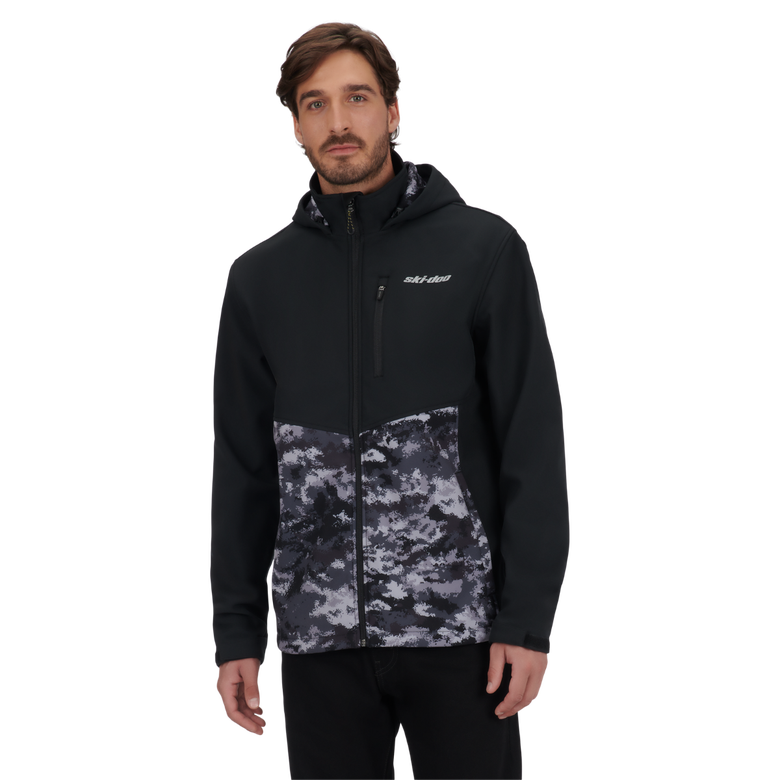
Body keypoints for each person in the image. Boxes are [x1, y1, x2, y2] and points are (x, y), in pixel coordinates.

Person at [211, 19, 571, 779]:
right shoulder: (258, 281)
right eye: (315, 104)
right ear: (294, 124)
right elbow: (243, 471)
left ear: (393, 109)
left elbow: (532, 443)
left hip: (462, 631)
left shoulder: (482, 251)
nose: (338, 122)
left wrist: (527, 621)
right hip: (319, 637)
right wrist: (237, 633)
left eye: (358, 98)